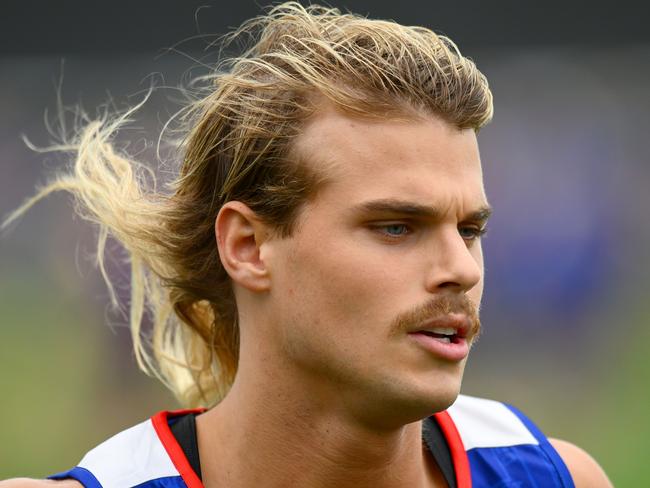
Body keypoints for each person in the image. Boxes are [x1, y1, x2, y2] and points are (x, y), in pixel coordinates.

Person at [1, 3, 612, 487]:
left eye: (470, 231)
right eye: (396, 227)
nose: (459, 269)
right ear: (247, 246)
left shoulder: (556, 477)